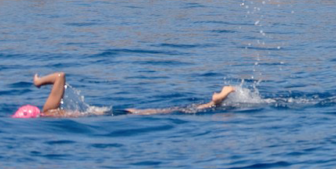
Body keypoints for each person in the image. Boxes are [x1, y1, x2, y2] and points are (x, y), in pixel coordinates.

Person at [12, 72, 237, 118]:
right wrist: (39, 82)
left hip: (110, 117)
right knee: (171, 111)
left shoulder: (50, 114)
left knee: (171, 111)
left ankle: (212, 104)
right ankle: (213, 103)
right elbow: (60, 76)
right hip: (111, 114)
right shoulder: (49, 110)